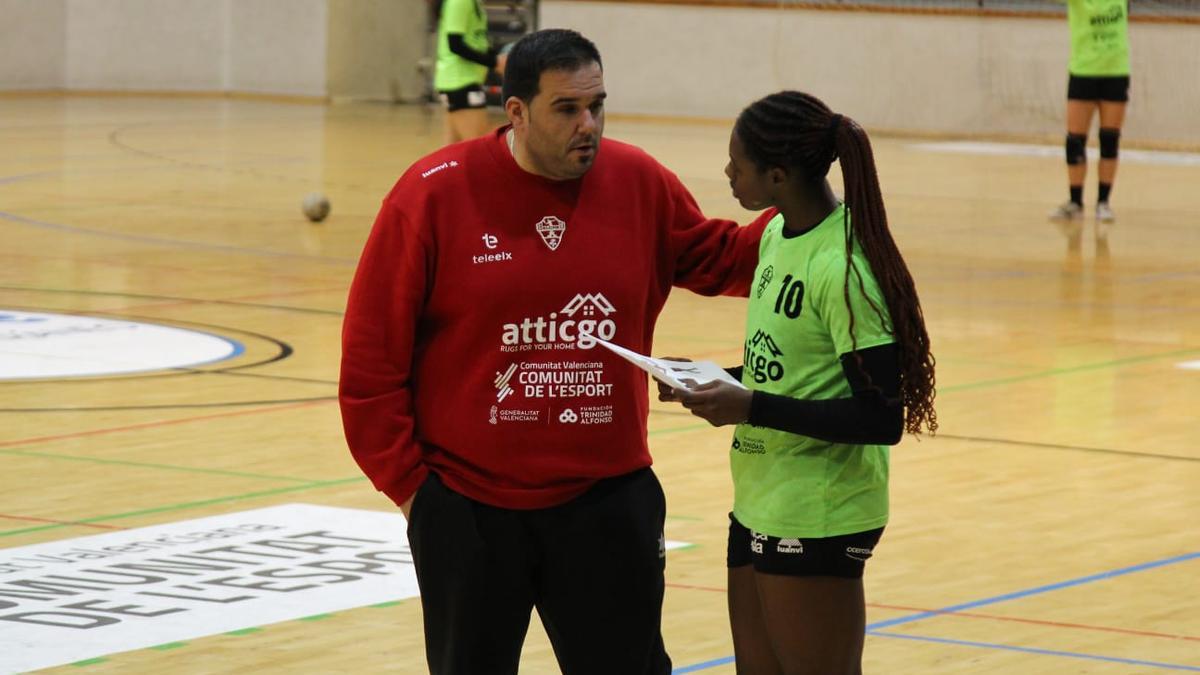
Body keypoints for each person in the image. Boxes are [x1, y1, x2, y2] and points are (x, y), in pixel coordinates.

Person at [339, 29, 765, 675]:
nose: (587, 124)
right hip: (467, 509)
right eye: (567, 109)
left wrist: (812, 210)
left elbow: (723, 258)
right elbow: (371, 359)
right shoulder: (432, 193)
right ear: (516, 111)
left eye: (597, 105)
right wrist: (415, 494)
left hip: (607, 501)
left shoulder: (638, 180)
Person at [658, 91, 938, 675]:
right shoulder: (774, 236)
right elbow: (790, 372)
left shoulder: (842, 267)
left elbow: (881, 417)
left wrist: (750, 404)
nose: (728, 173)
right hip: (762, 494)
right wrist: (713, 382)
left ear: (778, 174)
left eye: (738, 164)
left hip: (820, 510)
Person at [1049, 0, 1131, 231]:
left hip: (1116, 72)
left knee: (1109, 138)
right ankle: (1075, 202)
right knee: (1075, 140)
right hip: (1083, 72)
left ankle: (1103, 202)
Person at [432, 0, 507, 143]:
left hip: (462, 81)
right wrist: (494, 62)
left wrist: (496, 58)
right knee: (478, 147)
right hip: (459, 81)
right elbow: (455, 45)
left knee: (453, 151)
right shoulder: (460, 2)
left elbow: (476, 41)